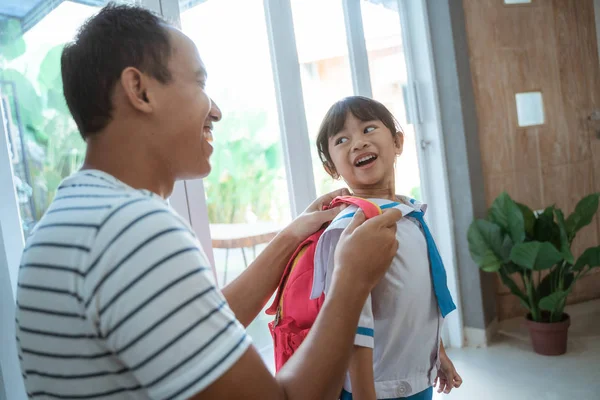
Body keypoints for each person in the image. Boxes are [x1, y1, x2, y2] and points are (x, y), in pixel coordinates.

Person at [14, 5, 403, 400]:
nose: (215, 110)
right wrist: (351, 280)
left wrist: (290, 238)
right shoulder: (132, 230)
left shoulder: (77, 218)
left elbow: (193, 327)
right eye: (199, 84)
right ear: (140, 90)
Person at [312, 96, 463, 400]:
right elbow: (350, 323)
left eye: (368, 129)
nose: (358, 143)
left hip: (415, 378)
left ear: (397, 142)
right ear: (331, 167)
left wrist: (437, 353)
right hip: (377, 388)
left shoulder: (408, 212)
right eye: (342, 139)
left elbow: (421, 300)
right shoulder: (350, 229)